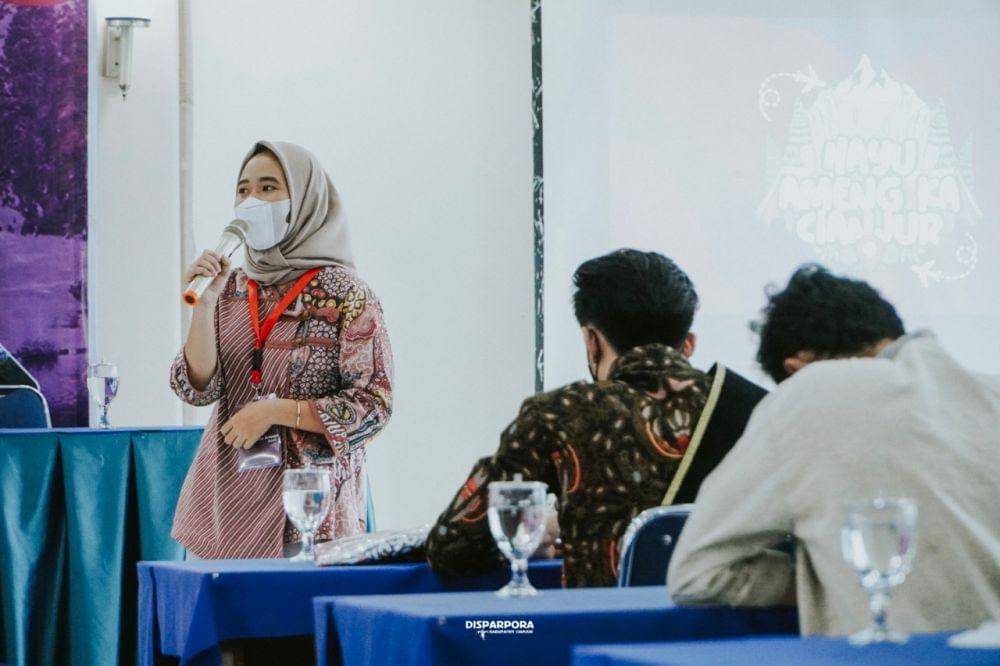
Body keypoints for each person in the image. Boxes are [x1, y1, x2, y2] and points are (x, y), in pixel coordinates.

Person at [668, 265, 1000, 636]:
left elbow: (696, 573)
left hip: (887, 657)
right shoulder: (990, 393)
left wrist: (825, 579)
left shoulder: (808, 395)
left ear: (797, 369)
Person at [426, 249, 767, 586]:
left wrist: (533, 535)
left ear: (592, 341)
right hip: (730, 620)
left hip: (603, 620)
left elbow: (451, 546)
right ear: (688, 343)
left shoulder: (559, 414)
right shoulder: (759, 409)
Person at [170, 141, 393, 559]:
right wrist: (202, 308)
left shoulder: (346, 295)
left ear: (305, 200)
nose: (252, 200)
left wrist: (275, 411)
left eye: (269, 188)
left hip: (309, 510)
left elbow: (373, 406)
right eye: (243, 190)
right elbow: (196, 389)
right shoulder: (231, 287)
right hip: (224, 503)